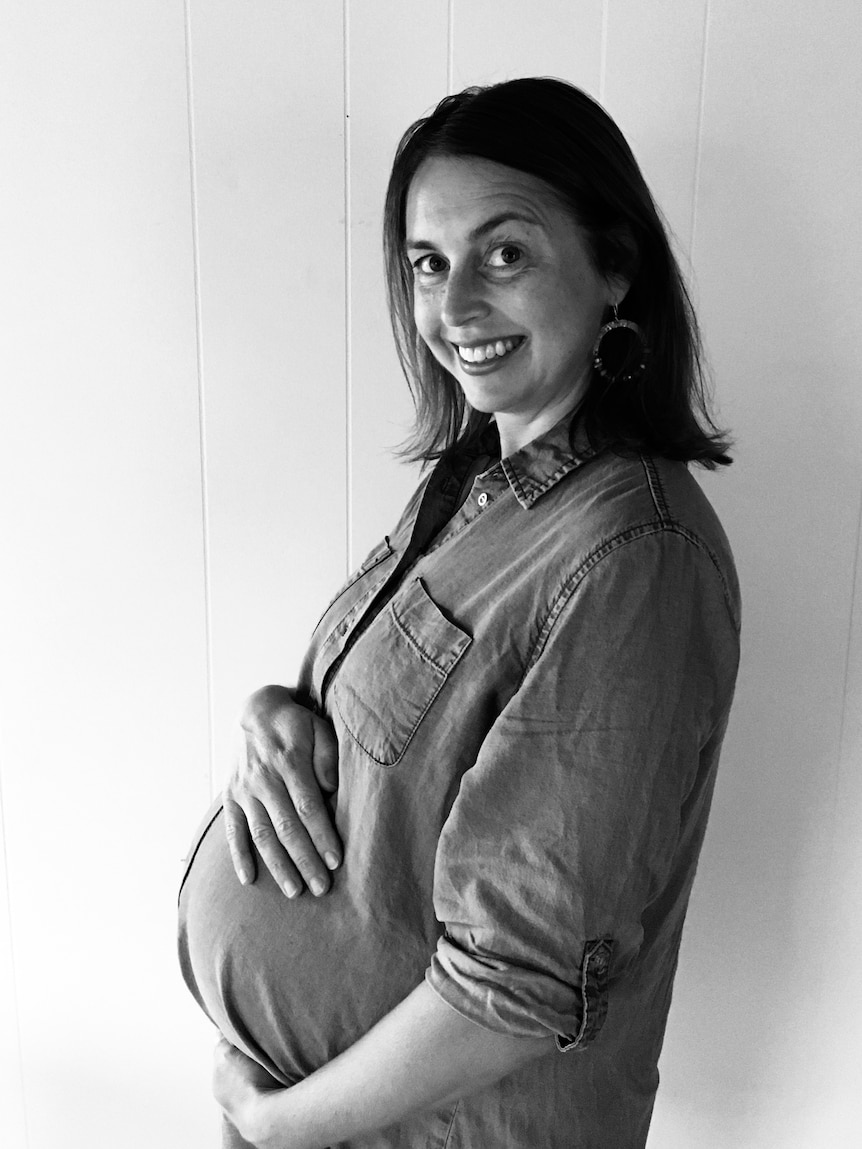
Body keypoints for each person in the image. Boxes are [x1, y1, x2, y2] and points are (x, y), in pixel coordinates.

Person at [178, 77, 741, 1149]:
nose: (454, 309)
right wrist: (276, 714)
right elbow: (395, 741)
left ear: (614, 267)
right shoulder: (476, 484)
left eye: (506, 255)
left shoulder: (634, 557)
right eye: (428, 264)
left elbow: (515, 985)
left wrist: (280, 1124)